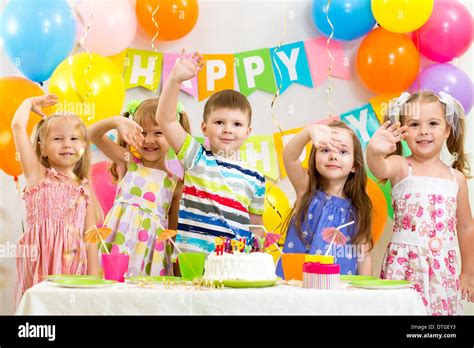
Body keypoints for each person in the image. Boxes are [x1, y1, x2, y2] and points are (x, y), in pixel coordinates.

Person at [367, 91, 474, 315]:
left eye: (433, 123)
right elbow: (379, 167)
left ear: (447, 130)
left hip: (442, 270)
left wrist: (468, 272)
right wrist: (374, 151)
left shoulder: (457, 178)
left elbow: (466, 227)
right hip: (404, 267)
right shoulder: (400, 166)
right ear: (403, 132)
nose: (424, 131)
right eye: (414, 124)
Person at [156, 51, 265, 262]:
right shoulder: (195, 157)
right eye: (219, 122)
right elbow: (166, 120)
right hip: (192, 261)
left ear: (248, 131)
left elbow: (256, 224)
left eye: (237, 124)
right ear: (204, 128)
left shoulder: (255, 176)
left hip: (234, 264)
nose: (227, 129)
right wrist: (175, 79)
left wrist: (257, 255)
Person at [89, 98, 190, 277]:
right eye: (142, 132)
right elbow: (91, 135)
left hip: (151, 251)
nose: (148, 140)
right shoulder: (128, 160)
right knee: (110, 290)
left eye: (158, 132)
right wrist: (116, 121)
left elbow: (172, 231)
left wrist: (176, 271)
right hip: (117, 242)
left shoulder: (176, 180)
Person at [12, 94, 99, 299]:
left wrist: (94, 278)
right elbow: (17, 126)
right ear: (42, 149)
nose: (66, 144)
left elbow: (91, 237)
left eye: (74, 138)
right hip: (38, 263)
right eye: (58, 139)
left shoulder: (83, 189)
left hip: (73, 266)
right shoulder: (37, 174)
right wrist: (28, 103)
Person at [276, 120, 373, 277]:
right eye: (325, 150)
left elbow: (364, 255)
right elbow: (289, 156)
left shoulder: (359, 208)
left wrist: (365, 294)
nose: (333, 156)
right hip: (297, 284)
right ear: (315, 159)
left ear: (354, 165)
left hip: (339, 290)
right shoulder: (305, 189)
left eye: (343, 152)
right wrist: (309, 132)